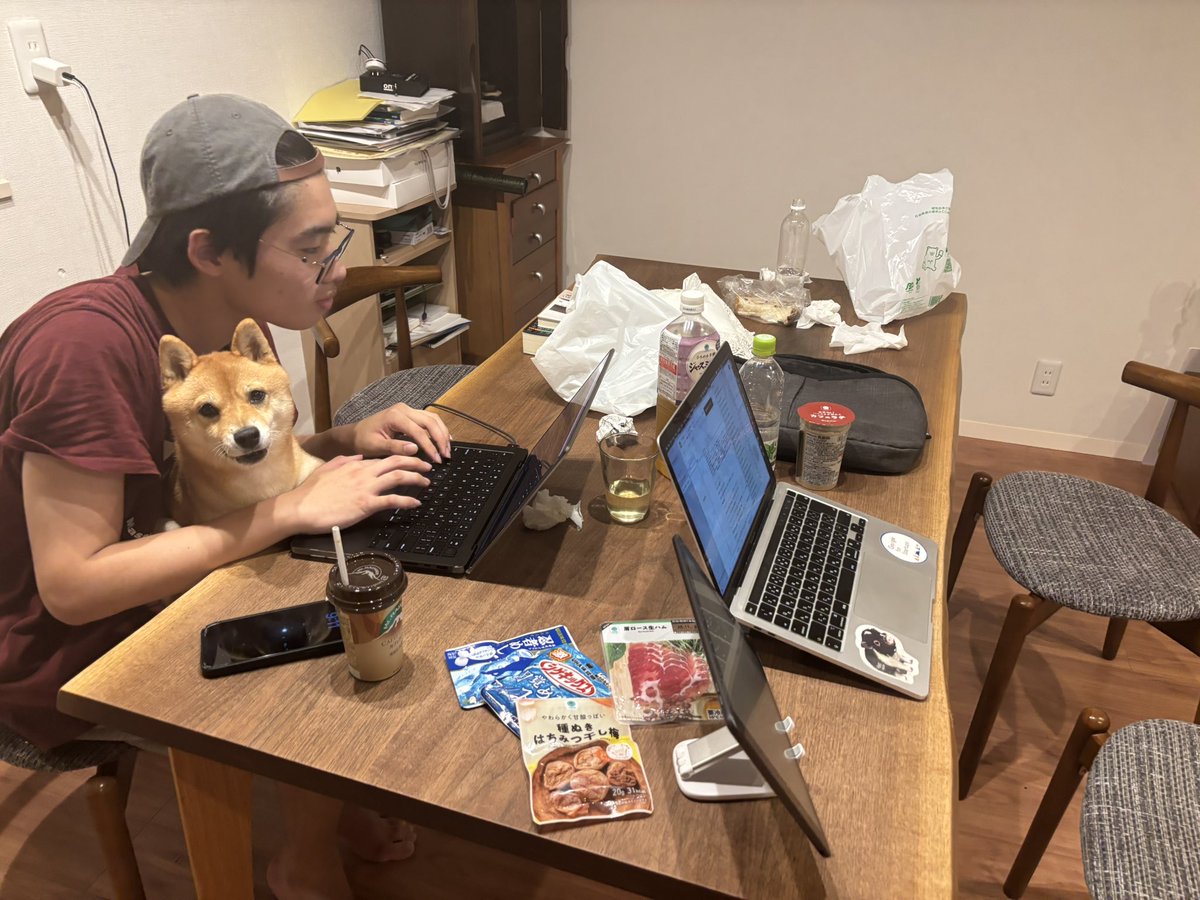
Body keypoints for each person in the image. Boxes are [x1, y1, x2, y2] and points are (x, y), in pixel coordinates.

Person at [0, 93, 451, 899]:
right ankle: (302, 861)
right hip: (70, 653)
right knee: (329, 624)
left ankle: (334, 807)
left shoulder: (235, 320)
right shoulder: (84, 349)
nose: (335, 268)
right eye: (311, 249)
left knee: (372, 567)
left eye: (334, 241)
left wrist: (343, 442)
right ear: (208, 250)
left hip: (170, 575)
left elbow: (237, 467)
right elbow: (72, 587)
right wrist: (286, 512)